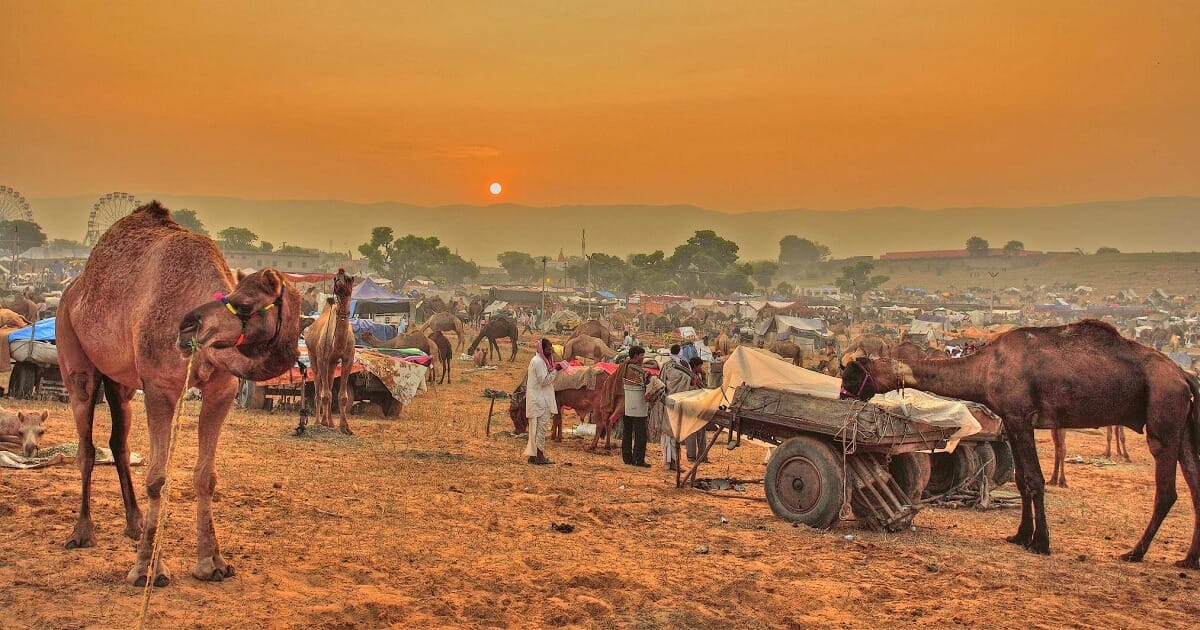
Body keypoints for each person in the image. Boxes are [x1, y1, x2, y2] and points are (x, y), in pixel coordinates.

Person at [602, 345, 650, 467]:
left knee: (627, 431)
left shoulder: (624, 366)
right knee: (640, 433)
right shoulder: (635, 369)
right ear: (636, 356)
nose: (643, 357)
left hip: (626, 405)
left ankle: (627, 458)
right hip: (637, 405)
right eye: (642, 355)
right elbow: (642, 384)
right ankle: (639, 459)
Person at [523, 338, 563, 465]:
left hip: (538, 398)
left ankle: (533, 455)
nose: (549, 352)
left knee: (535, 429)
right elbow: (544, 380)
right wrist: (556, 370)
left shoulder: (540, 361)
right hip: (540, 401)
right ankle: (539, 456)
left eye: (551, 349)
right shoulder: (539, 362)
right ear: (542, 349)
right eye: (547, 349)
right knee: (541, 428)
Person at [663, 345, 704, 463]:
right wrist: (692, 383)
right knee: (671, 432)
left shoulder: (679, 366)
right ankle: (670, 461)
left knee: (675, 433)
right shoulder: (675, 367)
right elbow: (687, 382)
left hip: (678, 403)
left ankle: (674, 461)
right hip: (674, 403)